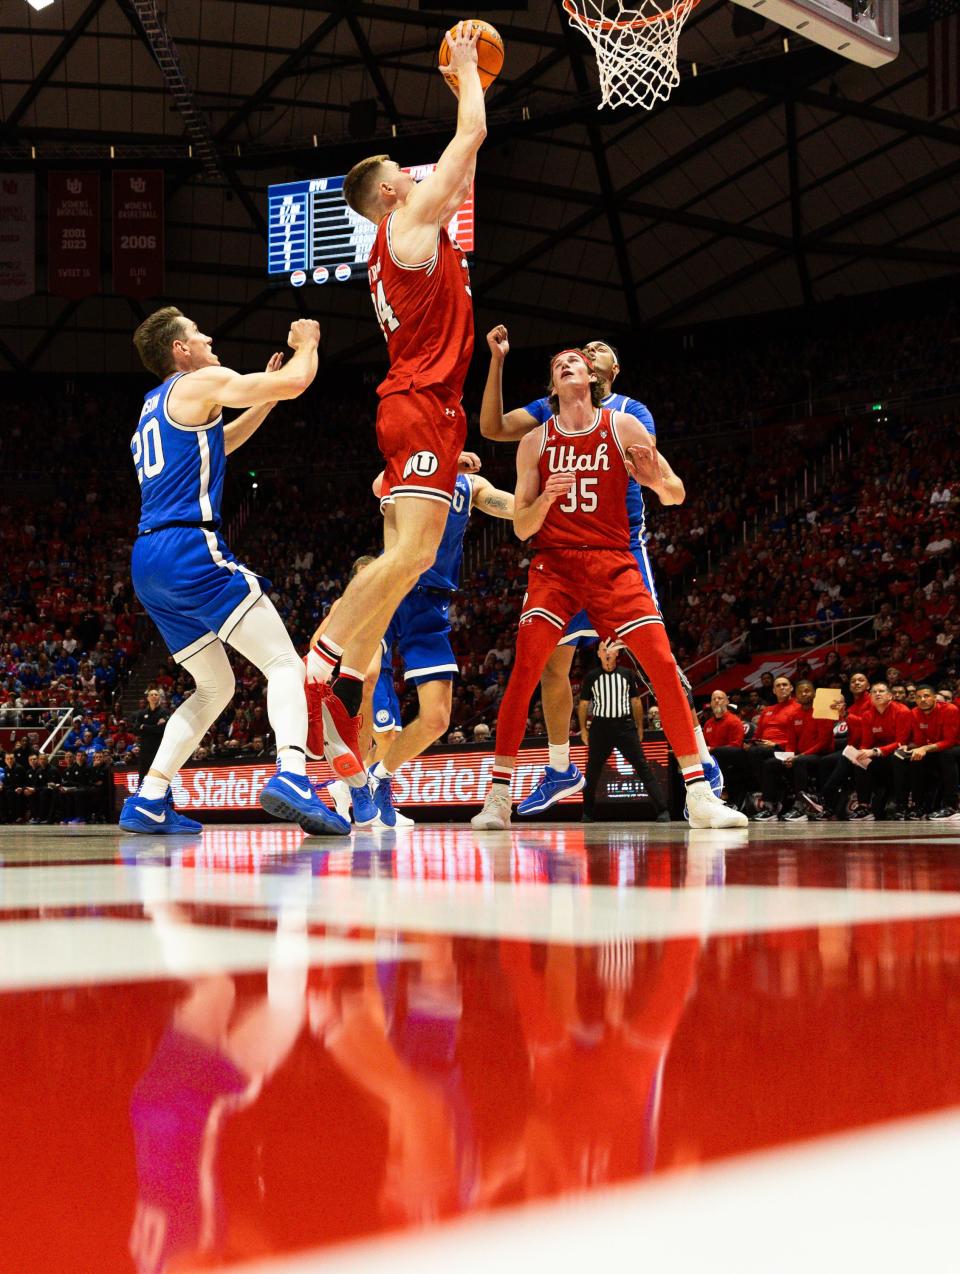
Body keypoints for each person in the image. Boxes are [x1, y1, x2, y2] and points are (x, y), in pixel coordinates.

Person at [305, 22, 487, 790]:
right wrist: (469, 72)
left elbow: (463, 170)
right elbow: (472, 134)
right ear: (387, 193)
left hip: (432, 408)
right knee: (408, 556)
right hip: (419, 402)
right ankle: (317, 671)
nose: (419, 180)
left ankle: (339, 703)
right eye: (407, 175)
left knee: (406, 562)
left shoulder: (410, 238)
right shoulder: (406, 225)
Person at [471, 348, 746, 831]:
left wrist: (654, 482)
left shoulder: (624, 425)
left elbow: (677, 491)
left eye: (575, 360)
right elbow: (520, 527)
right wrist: (545, 500)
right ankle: (498, 797)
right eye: (558, 363)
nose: (567, 363)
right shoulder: (534, 441)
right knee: (526, 672)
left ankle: (700, 795)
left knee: (661, 664)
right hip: (553, 567)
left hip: (613, 560)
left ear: (592, 377)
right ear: (552, 387)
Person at [119, 305, 347, 837]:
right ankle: (293, 774)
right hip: (188, 545)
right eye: (200, 333)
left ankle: (149, 797)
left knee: (214, 687)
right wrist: (307, 342)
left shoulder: (153, 408)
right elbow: (296, 382)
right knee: (283, 662)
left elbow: (218, 447)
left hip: (148, 560)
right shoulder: (200, 382)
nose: (209, 338)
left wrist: (263, 394)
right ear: (181, 350)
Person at [578, 639, 669, 822]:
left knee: (643, 767)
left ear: (618, 653)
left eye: (611, 650)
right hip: (600, 727)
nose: (607, 653)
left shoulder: (627, 674)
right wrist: (583, 729)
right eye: (604, 650)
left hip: (624, 726)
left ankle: (662, 810)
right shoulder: (591, 676)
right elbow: (583, 704)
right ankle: (587, 813)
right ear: (599, 654)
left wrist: (640, 726)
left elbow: (635, 702)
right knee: (591, 772)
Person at [891, 684, 960, 820]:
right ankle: (913, 805)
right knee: (903, 757)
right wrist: (908, 747)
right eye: (919, 697)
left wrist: (924, 748)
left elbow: (950, 741)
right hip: (935, 750)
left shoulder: (950, 709)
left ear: (935, 698)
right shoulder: (915, 713)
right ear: (915, 700)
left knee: (947, 754)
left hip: (955, 748)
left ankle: (951, 807)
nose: (922, 699)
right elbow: (919, 741)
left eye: (926, 696)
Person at [132, 687, 168, 782]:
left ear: (159, 697)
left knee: (160, 775)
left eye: (156, 694)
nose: (154, 696)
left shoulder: (164, 712)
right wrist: (153, 726)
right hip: (144, 749)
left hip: (158, 748)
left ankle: (166, 796)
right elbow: (135, 730)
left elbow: (160, 729)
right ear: (147, 698)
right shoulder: (142, 713)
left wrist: (144, 727)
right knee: (142, 775)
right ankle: (141, 796)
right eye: (151, 695)